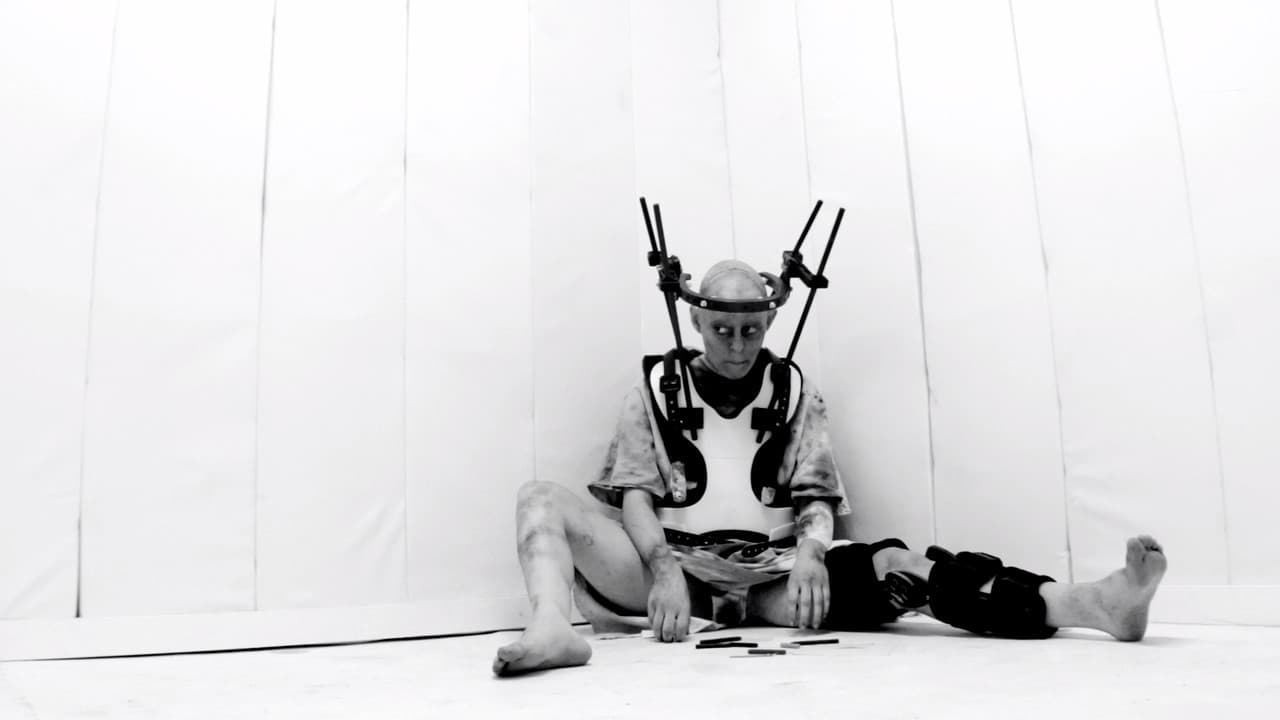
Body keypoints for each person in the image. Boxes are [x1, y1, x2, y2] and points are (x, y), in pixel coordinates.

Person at [492, 260, 1167, 677]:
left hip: (773, 576)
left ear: (768, 322)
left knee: (901, 568)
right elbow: (636, 495)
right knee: (539, 497)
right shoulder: (654, 389)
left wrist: (813, 553)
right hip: (666, 571)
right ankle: (551, 625)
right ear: (696, 319)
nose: (737, 346)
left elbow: (814, 497)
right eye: (723, 331)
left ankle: (1090, 604)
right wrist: (663, 565)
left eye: (752, 331)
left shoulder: (795, 391)